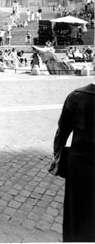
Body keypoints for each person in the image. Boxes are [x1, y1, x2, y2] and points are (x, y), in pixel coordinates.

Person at [52, 71, 95, 242]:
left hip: (80, 163)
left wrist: (57, 156)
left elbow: (61, 132)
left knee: (76, 212)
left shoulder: (77, 96)